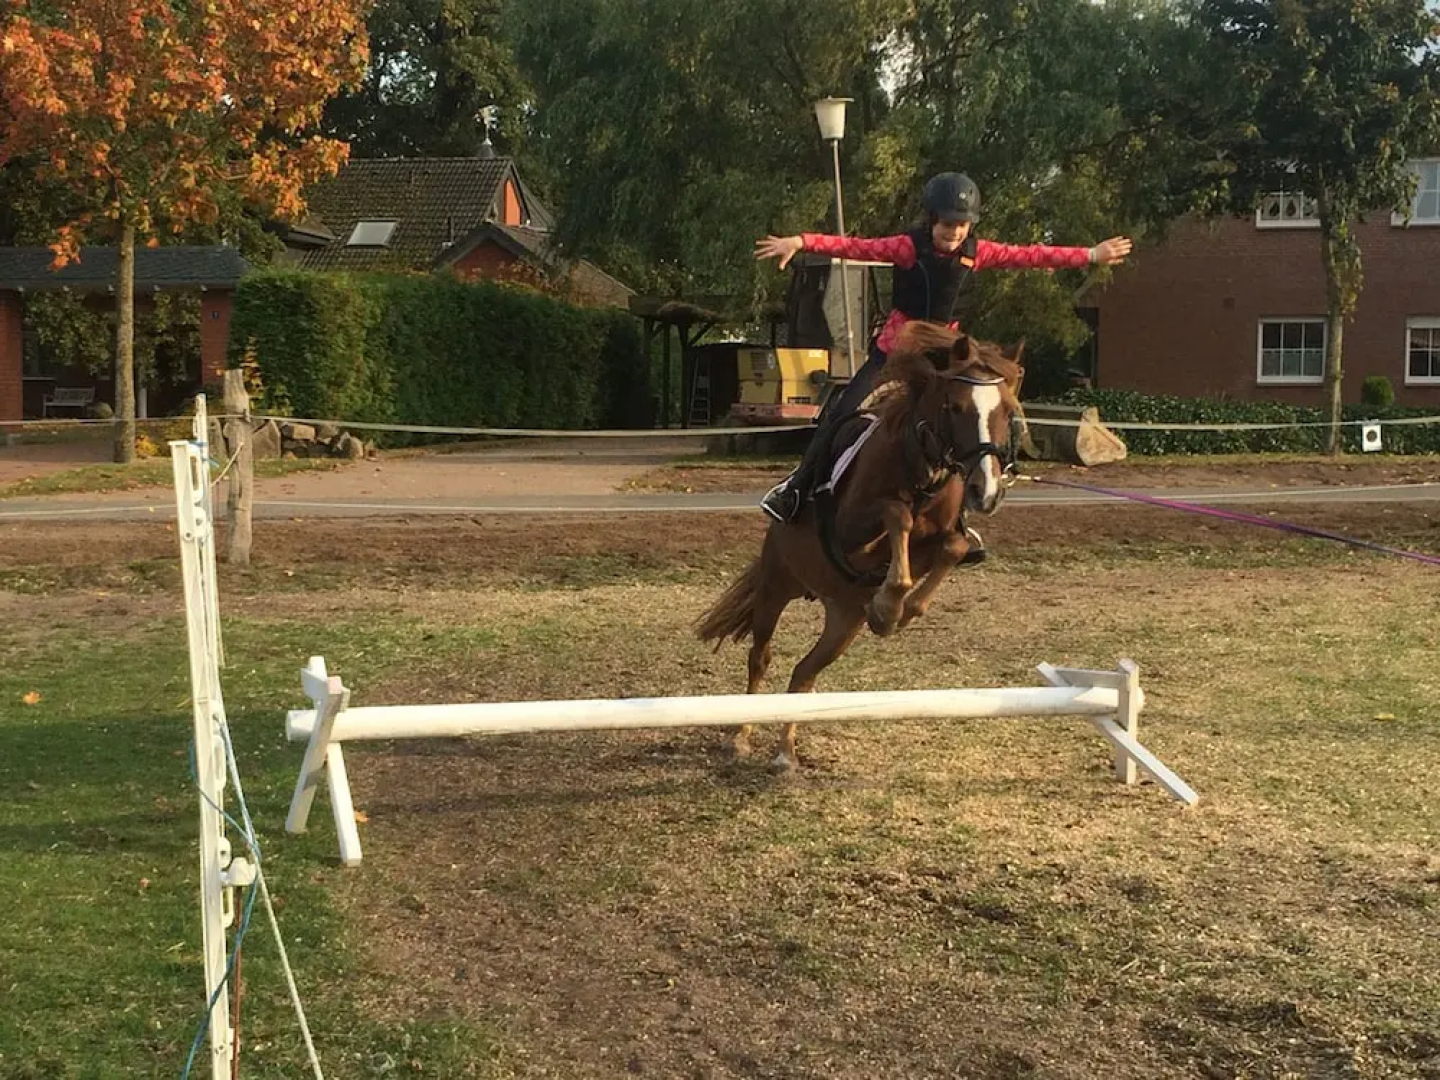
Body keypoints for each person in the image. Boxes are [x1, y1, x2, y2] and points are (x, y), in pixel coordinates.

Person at [754, 171, 1132, 523]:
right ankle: (795, 490)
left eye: (961, 225)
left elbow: (1030, 255)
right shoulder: (906, 248)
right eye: (947, 224)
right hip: (897, 350)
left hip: (946, 357)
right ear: (932, 219)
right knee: (839, 413)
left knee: (968, 420)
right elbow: (855, 246)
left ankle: (961, 517)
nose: (954, 232)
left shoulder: (977, 252)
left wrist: (1091, 255)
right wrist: (802, 241)